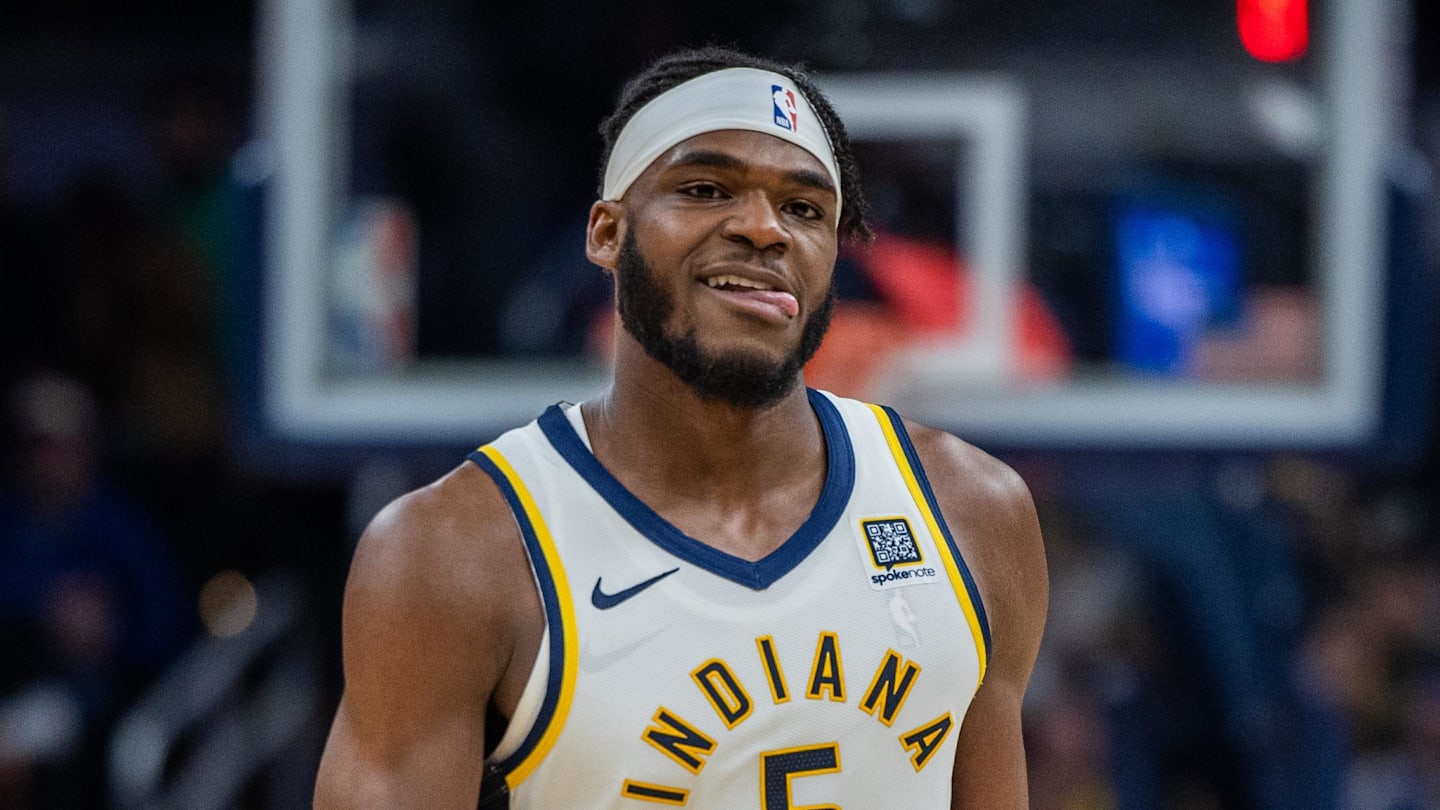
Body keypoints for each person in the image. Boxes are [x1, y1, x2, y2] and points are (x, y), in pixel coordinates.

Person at [314, 46, 1048, 809]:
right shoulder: (454, 554)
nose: (765, 229)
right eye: (705, 189)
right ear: (606, 234)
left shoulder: (973, 510)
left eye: (804, 208)